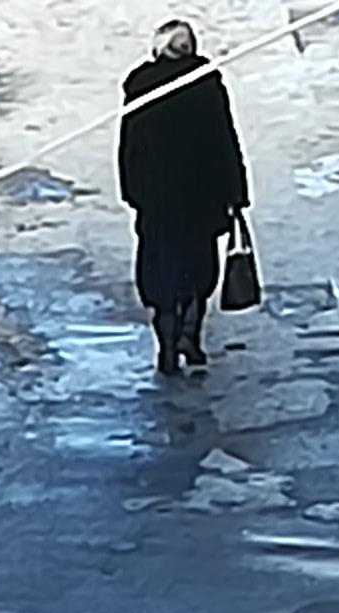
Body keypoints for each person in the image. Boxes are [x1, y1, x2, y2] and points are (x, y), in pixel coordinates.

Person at [117, 20, 249, 375]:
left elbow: (130, 145)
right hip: (201, 199)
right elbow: (225, 140)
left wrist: (132, 191)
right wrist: (236, 192)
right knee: (198, 272)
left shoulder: (141, 86)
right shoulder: (207, 84)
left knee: (161, 275)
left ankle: (167, 344)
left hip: (157, 201)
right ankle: (190, 337)